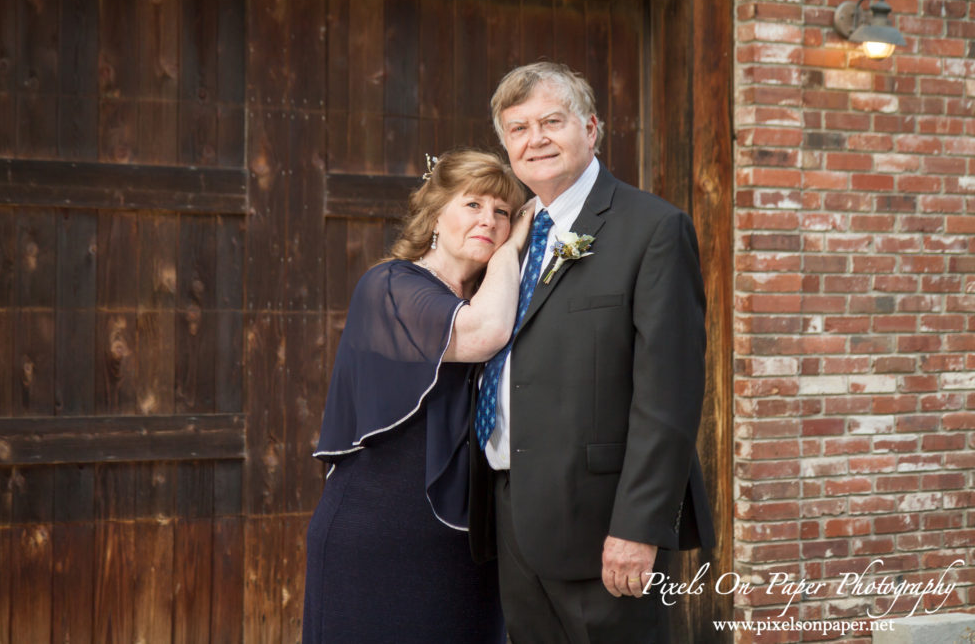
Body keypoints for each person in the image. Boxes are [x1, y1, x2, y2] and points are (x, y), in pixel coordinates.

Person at [468, 62, 716, 643]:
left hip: (604, 528)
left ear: (592, 129)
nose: (536, 139)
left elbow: (669, 398)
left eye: (552, 121)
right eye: (518, 128)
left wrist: (638, 528)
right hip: (512, 518)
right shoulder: (511, 237)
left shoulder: (653, 229)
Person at [303, 149, 531, 643]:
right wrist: (513, 251)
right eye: (473, 205)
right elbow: (483, 334)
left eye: (503, 213)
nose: (489, 221)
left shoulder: (491, 295)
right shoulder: (389, 285)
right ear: (435, 214)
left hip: (464, 545)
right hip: (377, 538)